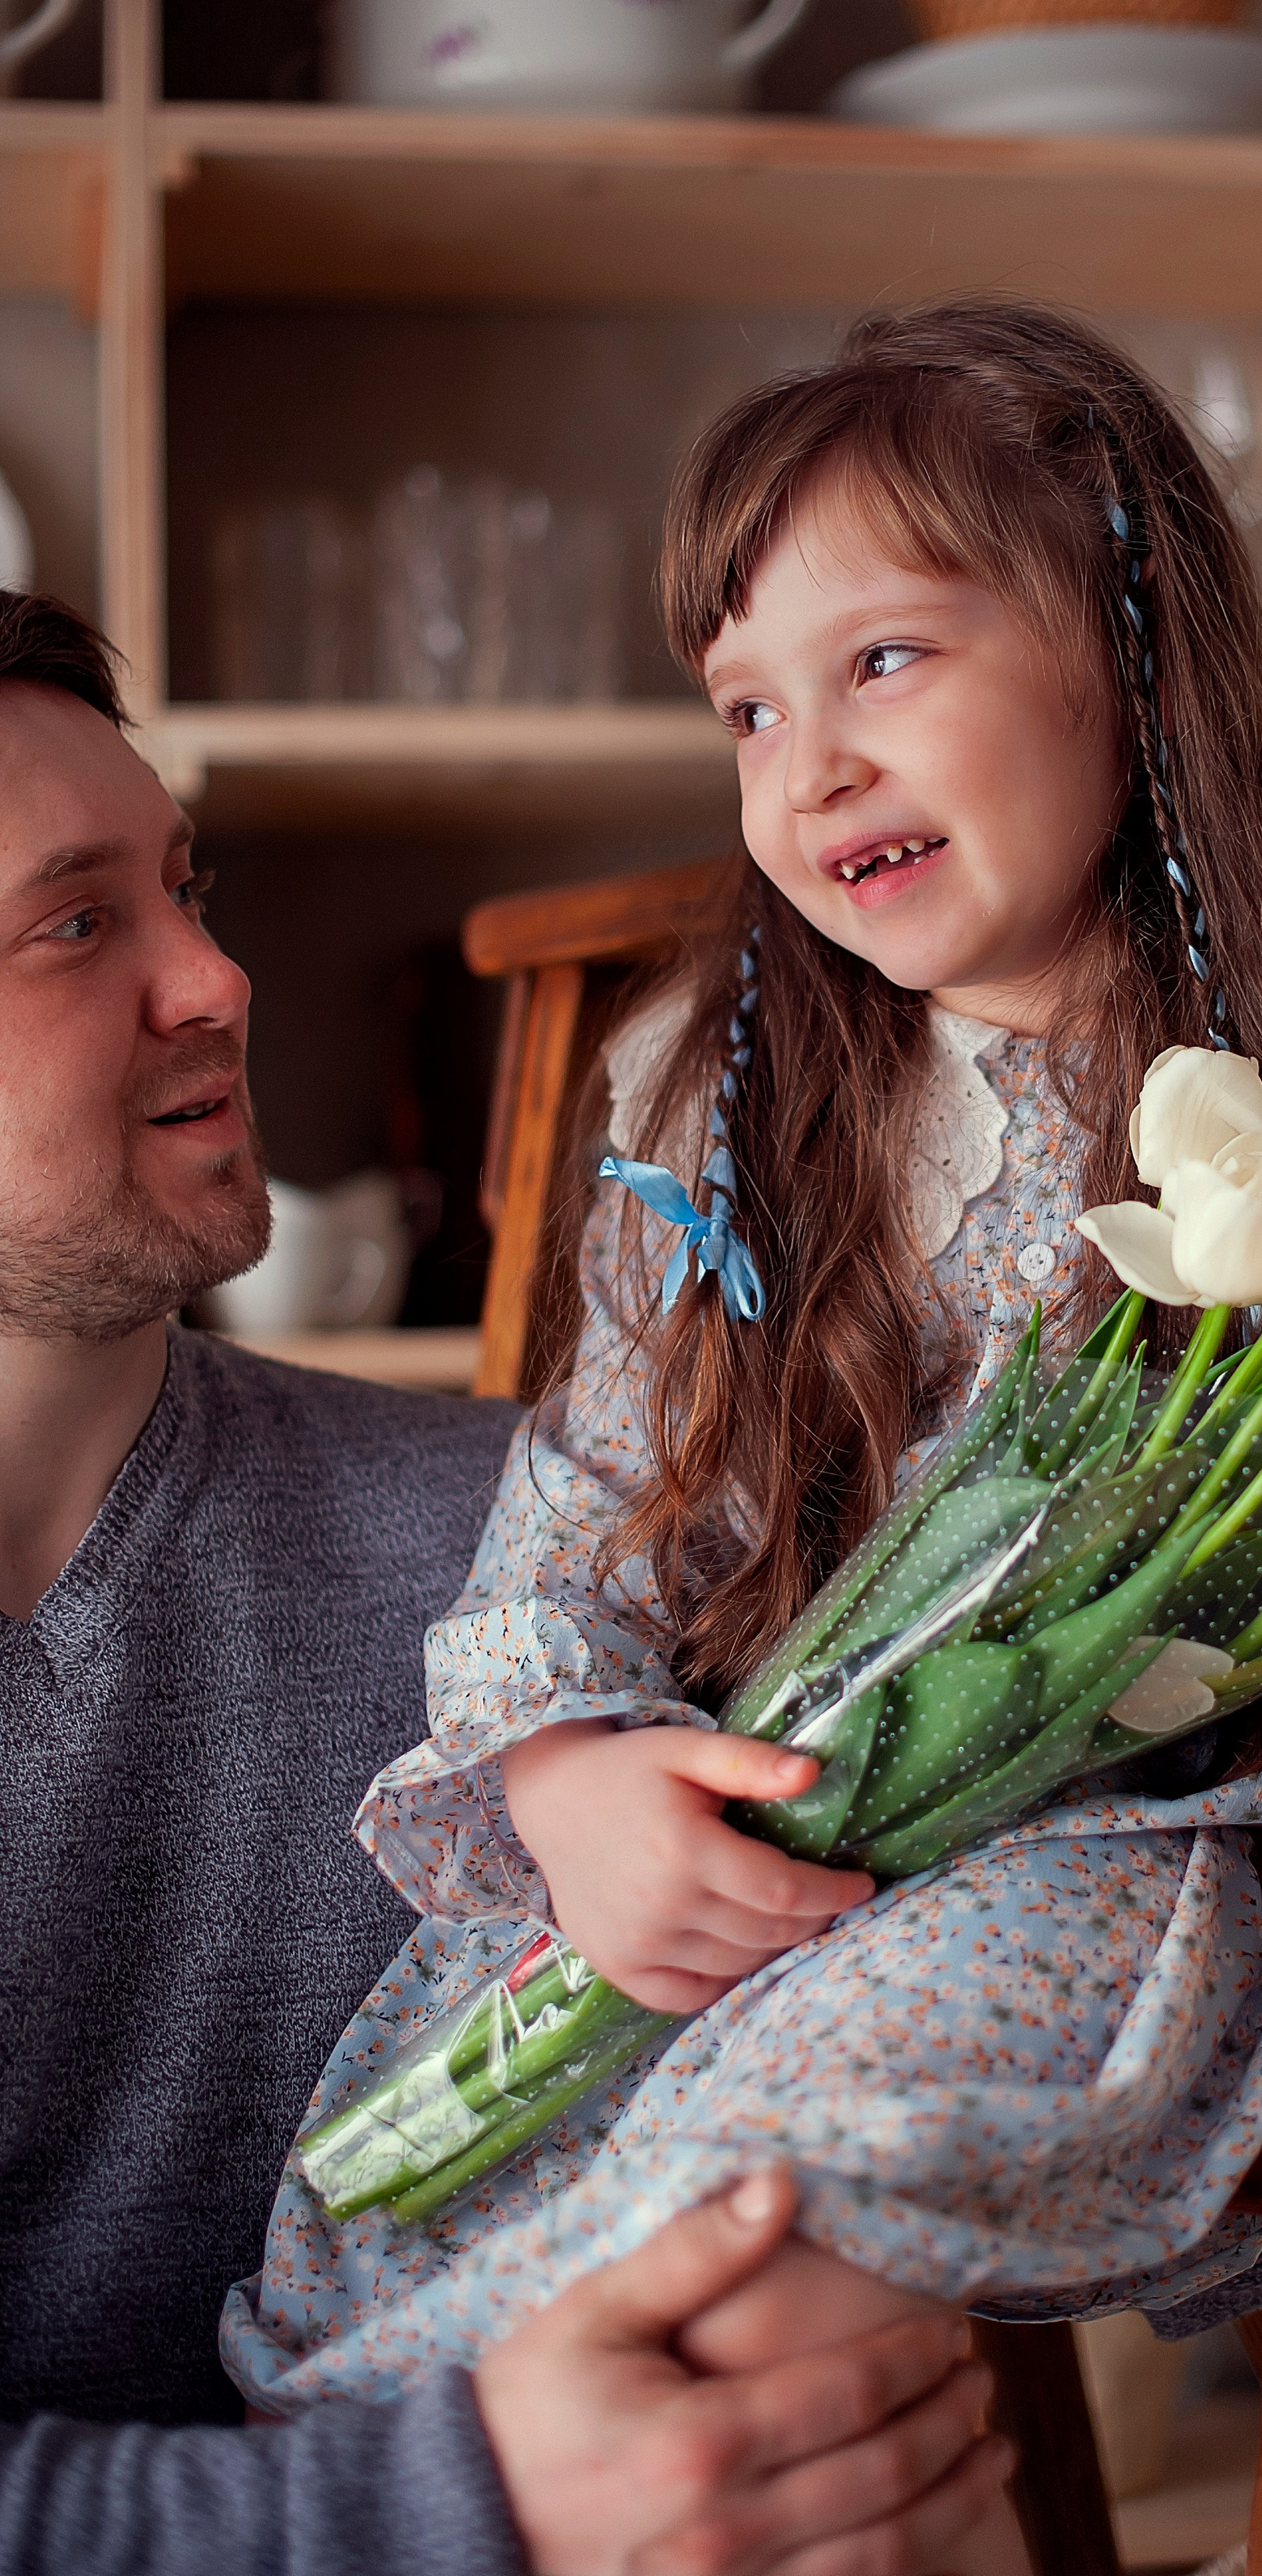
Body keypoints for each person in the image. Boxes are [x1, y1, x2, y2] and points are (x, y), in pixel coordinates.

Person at [229, 300, 1262, 2471]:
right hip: (762, 1848)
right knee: (369, 2280)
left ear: (1136, 654)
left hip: (1114, 1873)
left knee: (718, 2261)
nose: (812, 764)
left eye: (887, 660)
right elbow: (590, 1513)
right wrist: (570, 1775)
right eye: (748, 706)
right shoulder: (709, 1082)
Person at [0, 592, 1008, 2576]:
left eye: (186, 889)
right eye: (72, 922)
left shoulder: (561, 1584)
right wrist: (442, 2510)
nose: (216, 976)